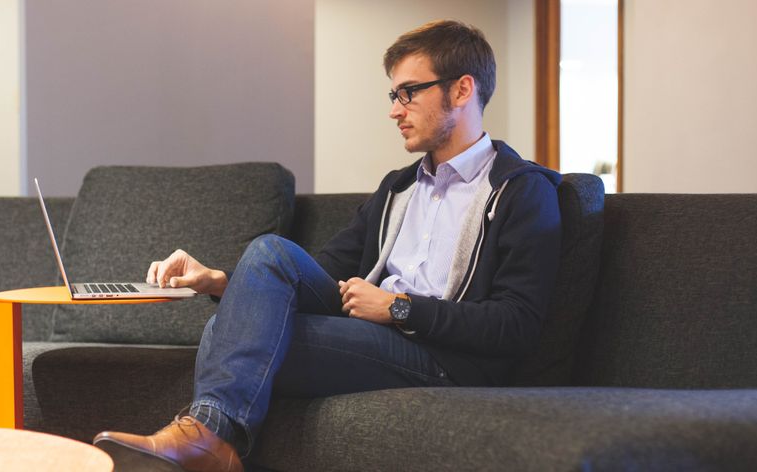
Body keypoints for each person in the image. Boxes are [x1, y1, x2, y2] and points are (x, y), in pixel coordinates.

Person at [94, 20, 562, 472]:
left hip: (446, 359)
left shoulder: (520, 190)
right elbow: (316, 271)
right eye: (393, 95)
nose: (395, 110)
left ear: (461, 90)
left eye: (409, 92)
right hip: (376, 336)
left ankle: (209, 440)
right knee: (269, 255)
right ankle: (212, 440)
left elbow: (516, 324)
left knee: (230, 336)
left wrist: (398, 309)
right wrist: (219, 281)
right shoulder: (399, 189)